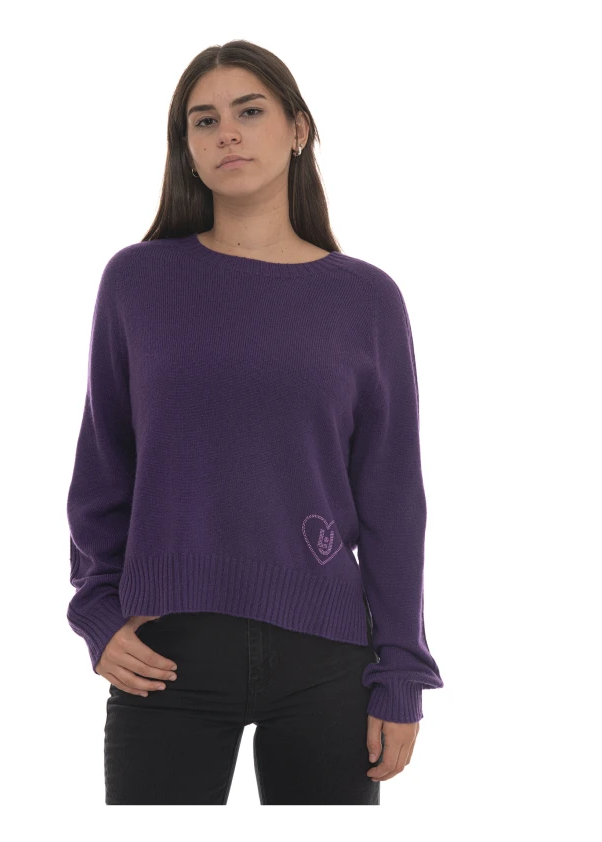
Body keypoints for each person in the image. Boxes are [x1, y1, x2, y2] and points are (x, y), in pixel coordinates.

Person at [66, 39, 444, 805]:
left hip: (327, 660)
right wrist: (97, 611)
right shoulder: (137, 281)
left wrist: (402, 671)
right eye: (203, 121)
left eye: (248, 112)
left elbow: (392, 500)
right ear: (186, 147)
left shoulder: (365, 299)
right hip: (163, 655)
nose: (226, 134)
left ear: (297, 129)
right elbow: (105, 467)